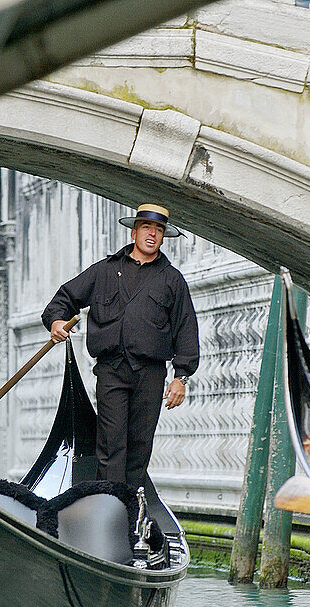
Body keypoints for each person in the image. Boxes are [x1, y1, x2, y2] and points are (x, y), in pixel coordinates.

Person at [42, 203, 199, 489]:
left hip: (150, 374)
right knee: (111, 444)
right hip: (112, 369)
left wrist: (181, 377)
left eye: (159, 230)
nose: (152, 234)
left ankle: (128, 513)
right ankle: (110, 508)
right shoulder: (104, 271)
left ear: (163, 237)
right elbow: (65, 298)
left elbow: (186, 328)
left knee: (139, 447)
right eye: (147, 228)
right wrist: (56, 322)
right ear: (134, 233)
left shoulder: (172, 280)